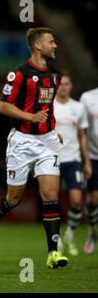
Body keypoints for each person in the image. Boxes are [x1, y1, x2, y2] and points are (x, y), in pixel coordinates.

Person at [0, 27, 69, 269]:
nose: (55, 46)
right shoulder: (18, 74)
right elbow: (3, 106)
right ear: (38, 46)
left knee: (50, 195)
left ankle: (53, 253)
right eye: (52, 42)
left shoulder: (54, 76)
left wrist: (52, 128)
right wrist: (31, 117)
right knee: (14, 198)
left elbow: (47, 109)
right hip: (22, 141)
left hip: (48, 140)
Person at [53, 74, 92, 256]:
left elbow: (82, 136)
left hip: (73, 159)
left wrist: (87, 161)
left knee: (77, 200)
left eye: (66, 84)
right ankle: (55, 236)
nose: (63, 87)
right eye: (60, 84)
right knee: (52, 200)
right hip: (53, 159)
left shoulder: (78, 107)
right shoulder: (49, 106)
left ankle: (70, 233)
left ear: (71, 86)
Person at [79, 85, 98, 254]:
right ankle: (93, 233)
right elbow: (82, 131)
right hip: (93, 156)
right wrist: (86, 161)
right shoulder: (88, 97)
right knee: (93, 199)